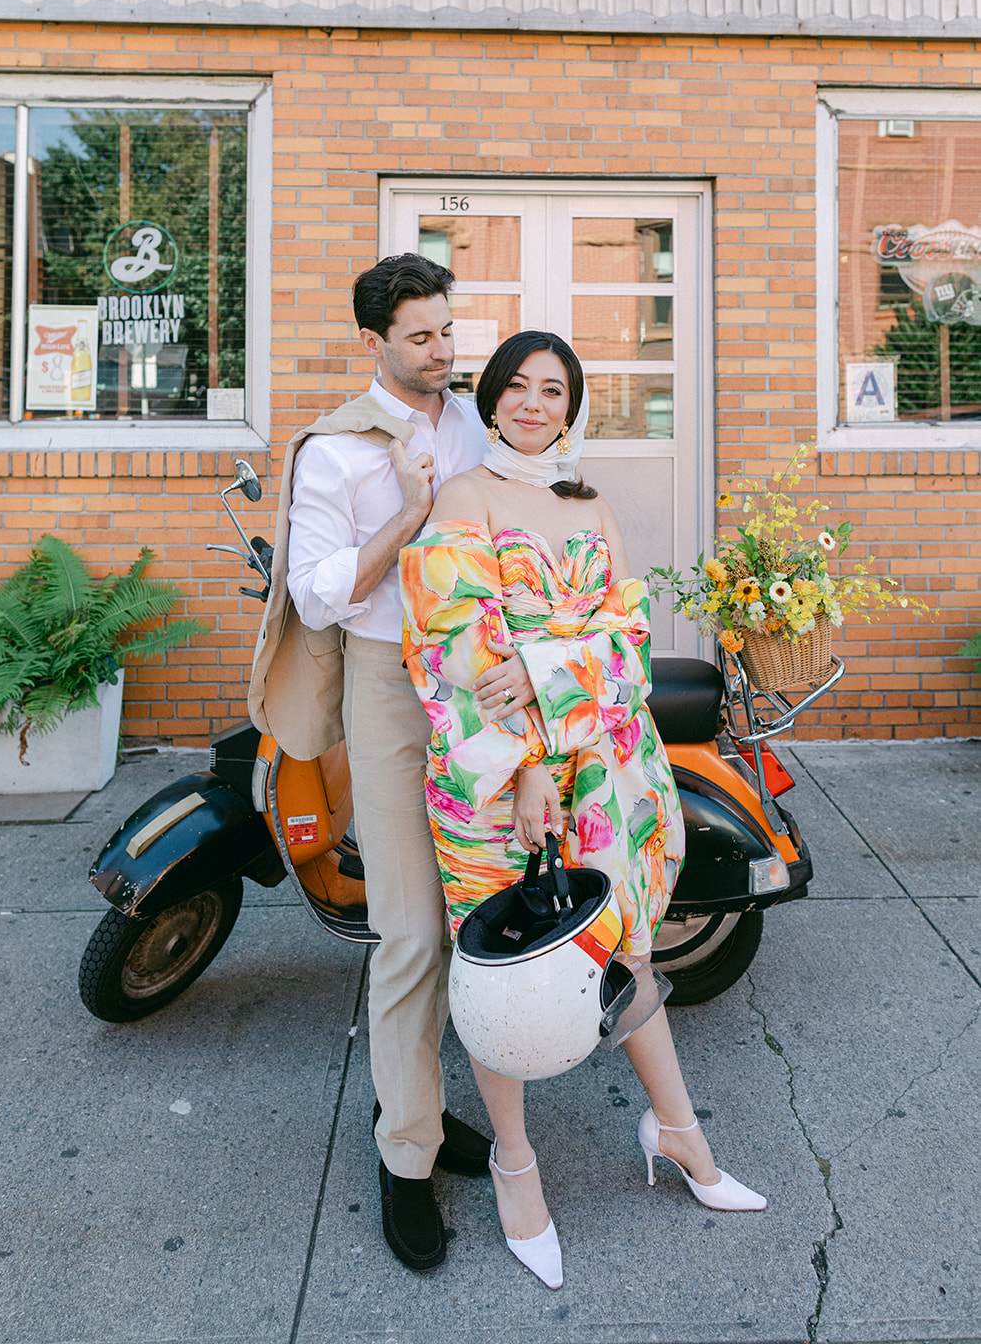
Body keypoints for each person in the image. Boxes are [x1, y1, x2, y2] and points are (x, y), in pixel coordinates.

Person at [398, 330, 766, 1292]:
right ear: (489, 399)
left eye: (551, 390)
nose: (532, 403)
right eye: (515, 386)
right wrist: (528, 759)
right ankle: (515, 1170)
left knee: (623, 953)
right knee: (507, 975)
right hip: (491, 780)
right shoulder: (461, 500)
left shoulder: (588, 503)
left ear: (573, 406)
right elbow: (456, 654)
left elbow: (629, 647)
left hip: (606, 770)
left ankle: (679, 1132)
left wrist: (549, 672)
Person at [249, 252, 524, 1273]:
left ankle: (434, 1103)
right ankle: (405, 1152)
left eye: (447, 330)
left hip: (479, 675)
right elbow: (317, 593)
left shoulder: (466, 417)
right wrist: (404, 516)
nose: (442, 351)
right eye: (419, 336)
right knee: (408, 927)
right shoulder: (333, 452)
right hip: (387, 684)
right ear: (371, 342)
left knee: (480, 911)